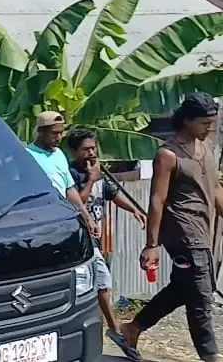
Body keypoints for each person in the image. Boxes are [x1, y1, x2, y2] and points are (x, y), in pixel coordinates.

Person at [119, 93, 221, 362]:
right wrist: (151, 245)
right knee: (201, 301)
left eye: (212, 121)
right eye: (204, 122)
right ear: (186, 120)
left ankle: (132, 328)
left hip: (203, 231)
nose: (209, 127)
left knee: (181, 289)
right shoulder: (168, 154)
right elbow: (157, 199)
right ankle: (211, 357)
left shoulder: (207, 145)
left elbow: (215, 187)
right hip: (183, 235)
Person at [64, 128, 147, 357]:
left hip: (97, 240)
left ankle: (103, 330)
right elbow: (75, 204)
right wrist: (90, 179)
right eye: (85, 149)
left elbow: (111, 194)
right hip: (81, 240)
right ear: (73, 151)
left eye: (93, 147)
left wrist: (133, 210)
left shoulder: (99, 171)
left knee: (96, 285)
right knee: (103, 283)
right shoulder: (70, 174)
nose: (91, 153)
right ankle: (114, 329)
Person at [26, 112, 96, 232]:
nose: (58, 137)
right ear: (41, 131)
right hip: (38, 222)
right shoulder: (27, 155)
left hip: (60, 220)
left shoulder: (58, 154)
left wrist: (87, 218)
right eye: (54, 133)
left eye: (60, 133)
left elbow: (69, 189)